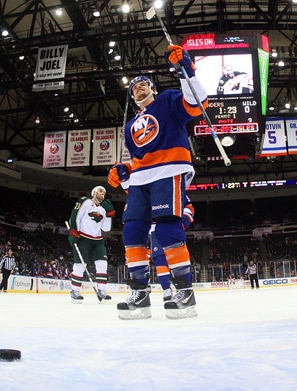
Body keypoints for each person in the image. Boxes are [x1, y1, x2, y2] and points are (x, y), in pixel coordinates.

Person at [107, 45, 208, 320]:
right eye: (134, 86)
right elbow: (138, 158)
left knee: (166, 230)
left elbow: (198, 104)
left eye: (143, 84)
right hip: (141, 180)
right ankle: (139, 294)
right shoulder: (130, 126)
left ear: (152, 88)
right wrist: (123, 169)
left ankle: (185, 292)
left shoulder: (167, 100)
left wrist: (186, 69)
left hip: (169, 171)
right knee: (132, 233)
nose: (139, 87)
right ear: (132, 96)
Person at [67, 186, 115, 303]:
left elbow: (106, 228)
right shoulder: (85, 202)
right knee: (80, 265)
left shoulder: (103, 209)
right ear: (93, 192)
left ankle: (102, 291)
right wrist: (74, 231)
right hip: (83, 238)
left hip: (98, 240)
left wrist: (109, 215)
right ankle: (75, 291)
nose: (102, 193)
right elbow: (76, 216)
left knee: (102, 264)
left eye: (104, 192)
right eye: (100, 190)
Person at [151, 196, 195, 302]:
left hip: (171, 225)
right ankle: (167, 289)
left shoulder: (175, 186)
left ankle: (184, 290)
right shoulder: (149, 188)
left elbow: (188, 207)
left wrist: (184, 221)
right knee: (160, 261)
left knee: (176, 258)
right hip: (155, 231)